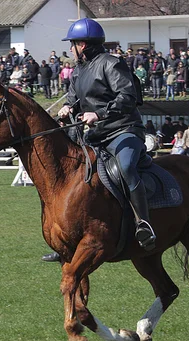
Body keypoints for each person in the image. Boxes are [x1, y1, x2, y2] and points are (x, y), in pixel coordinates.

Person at [52, 18, 154, 259]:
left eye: (73, 44)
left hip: (124, 131)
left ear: (83, 44)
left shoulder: (112, 64)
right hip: (95, 137)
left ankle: (144, 224)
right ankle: (70, 239)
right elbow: (74, 98)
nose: (70, 49)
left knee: (127, 167)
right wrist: (67, 108)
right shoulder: (78, 71)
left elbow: (127, 97)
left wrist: (98, 114)